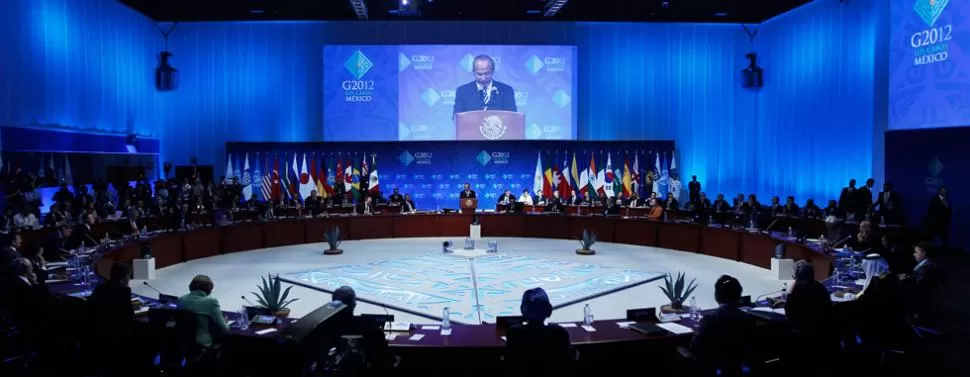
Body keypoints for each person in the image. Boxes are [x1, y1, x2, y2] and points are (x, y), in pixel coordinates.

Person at [689, 275, 756, 376]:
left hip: (713, 369)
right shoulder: (749, 318)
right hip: (739, 368)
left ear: (716, 296)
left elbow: (694, 345)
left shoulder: (710, 319)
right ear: (738, 296)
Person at [505, 287, 572, 376]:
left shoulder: (514, 333)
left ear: (523, 310)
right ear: (549, 311)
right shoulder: (559, 332)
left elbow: (508, 359)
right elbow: (570, 356)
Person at [178, 275, 230, 349]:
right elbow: (225, 329)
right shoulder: (211, 302)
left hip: (183, 342)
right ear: (209, 290)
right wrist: (225, 321)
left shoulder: (182, 299)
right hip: (204, 344)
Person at [453, 55, 517, 114]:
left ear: (493, 71)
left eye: (487, 74)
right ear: (473, 72)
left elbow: (512, 117)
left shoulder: (507, 90)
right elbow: (457, 118)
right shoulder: (462, 91)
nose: (483, 78)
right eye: (479, 74)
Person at [88, 263, 134, 336]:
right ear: (124, 278)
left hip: (96, 331)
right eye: (129, 276)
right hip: (116, 332)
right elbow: (129, 314)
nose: (129, 279)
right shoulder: (124, 291)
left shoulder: (99, 289)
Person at [925, 186, 952, 250]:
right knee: (932, 237)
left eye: (945, 190)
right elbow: (930, 211)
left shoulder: (947, 200)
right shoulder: (934, 200)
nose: (944, 191)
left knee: (944, 237)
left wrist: (948, 208)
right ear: (939, 191)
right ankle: (930, 250)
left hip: (944, 222)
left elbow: (949, 211)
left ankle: (944, 251)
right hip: (935, 222)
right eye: (942, 190)